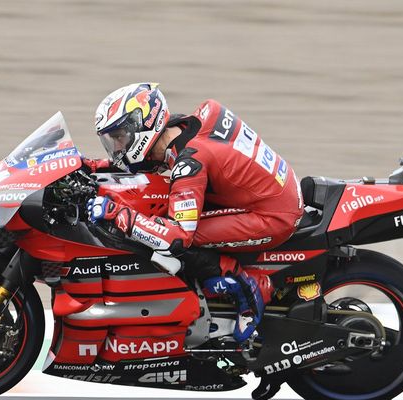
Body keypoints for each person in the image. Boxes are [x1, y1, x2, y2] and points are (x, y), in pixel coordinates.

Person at [85, 83, 303, 343]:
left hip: (273, 214)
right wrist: (94, 166)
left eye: (119, 137)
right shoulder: (186, 125)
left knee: (164, 236)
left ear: (142, 127)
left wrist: (119, 214)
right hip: (270, 189)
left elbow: (177, 237)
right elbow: (153, 161)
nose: (117, 147)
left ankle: (248, 288)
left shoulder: (190, 162)